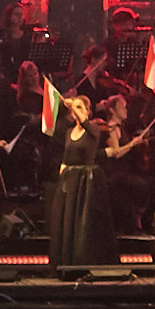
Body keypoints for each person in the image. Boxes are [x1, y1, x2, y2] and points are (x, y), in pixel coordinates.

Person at [49, 94, 109, 275]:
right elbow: (66, 159)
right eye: (75, 108)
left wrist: (71, 104)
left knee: (83, 227)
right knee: (66, 224)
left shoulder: (94, 130)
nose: (77, 111)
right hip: (70, 181)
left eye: (81, 107)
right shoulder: (68, 132)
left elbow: (84, 121)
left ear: (89, 111)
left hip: (86, 184)